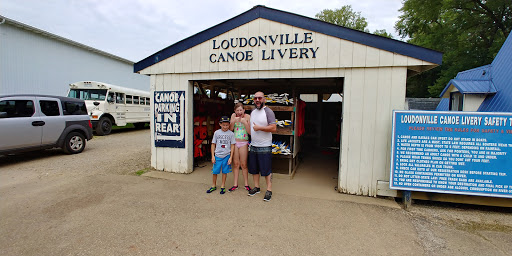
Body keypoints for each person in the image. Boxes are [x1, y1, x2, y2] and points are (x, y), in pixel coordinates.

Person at [248, 92, 277, 202]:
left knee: (266, 169)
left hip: (265, 145)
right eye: (255, 98)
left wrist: (260, 128)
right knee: (254, 168)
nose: (257, 100)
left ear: (264, 99)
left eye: (259, 98)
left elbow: (274, 128)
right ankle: (257, 187)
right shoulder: (253, 111)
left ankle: (269, 190)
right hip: (253, 145)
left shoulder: (268, 111)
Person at [206, 116, 236, 195]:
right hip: (218, 155)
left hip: (226, 156)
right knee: (215, 171)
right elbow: (213, 144)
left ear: (229, 125)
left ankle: (223, 186)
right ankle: (213, 185)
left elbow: (232, 145)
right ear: (220, 124)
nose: (225, 127)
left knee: (224, 171)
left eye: (227, 125)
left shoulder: (231, 134)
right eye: (223, 125)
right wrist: (212, 156)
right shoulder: (216, 132)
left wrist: (231, 157)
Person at [228, 103, 252, 192]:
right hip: (234, 142)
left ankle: (246, 184)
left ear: (244, 110)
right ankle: (235, 184)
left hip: (244, 142)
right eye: (237, 110)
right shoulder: (233, 116)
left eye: (241, 110)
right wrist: (234, 121)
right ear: (235, 111)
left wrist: (245, 122)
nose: (239, 112)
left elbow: (250, 132)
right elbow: (230, 129)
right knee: (236, 164)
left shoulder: (248, 117)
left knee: (244, 164)